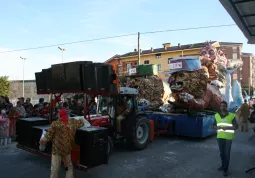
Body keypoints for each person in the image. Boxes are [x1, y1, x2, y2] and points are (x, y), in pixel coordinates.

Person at [39, 109, 85, 178]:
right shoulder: (73, 122)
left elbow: (48, 136)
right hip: (67, 148)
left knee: (55, 168)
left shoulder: (56, 124)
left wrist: (42, 140)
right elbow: (82, 123)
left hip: (57, 150)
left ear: (60, 115)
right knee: (68, 166)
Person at [214, 101, 238, 176]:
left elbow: (236, 127)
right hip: (220, 137)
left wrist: (227, 127)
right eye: (221, 106)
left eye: (224, 106)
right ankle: (223, 165)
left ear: (226, 107)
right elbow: (214, 125)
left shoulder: (232, 115)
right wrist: (216, 127)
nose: (222, 107)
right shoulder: (216, 115)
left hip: (228, 137)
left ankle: (225, 169)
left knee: (227, 154)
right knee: (222, 154)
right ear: (220, 107)